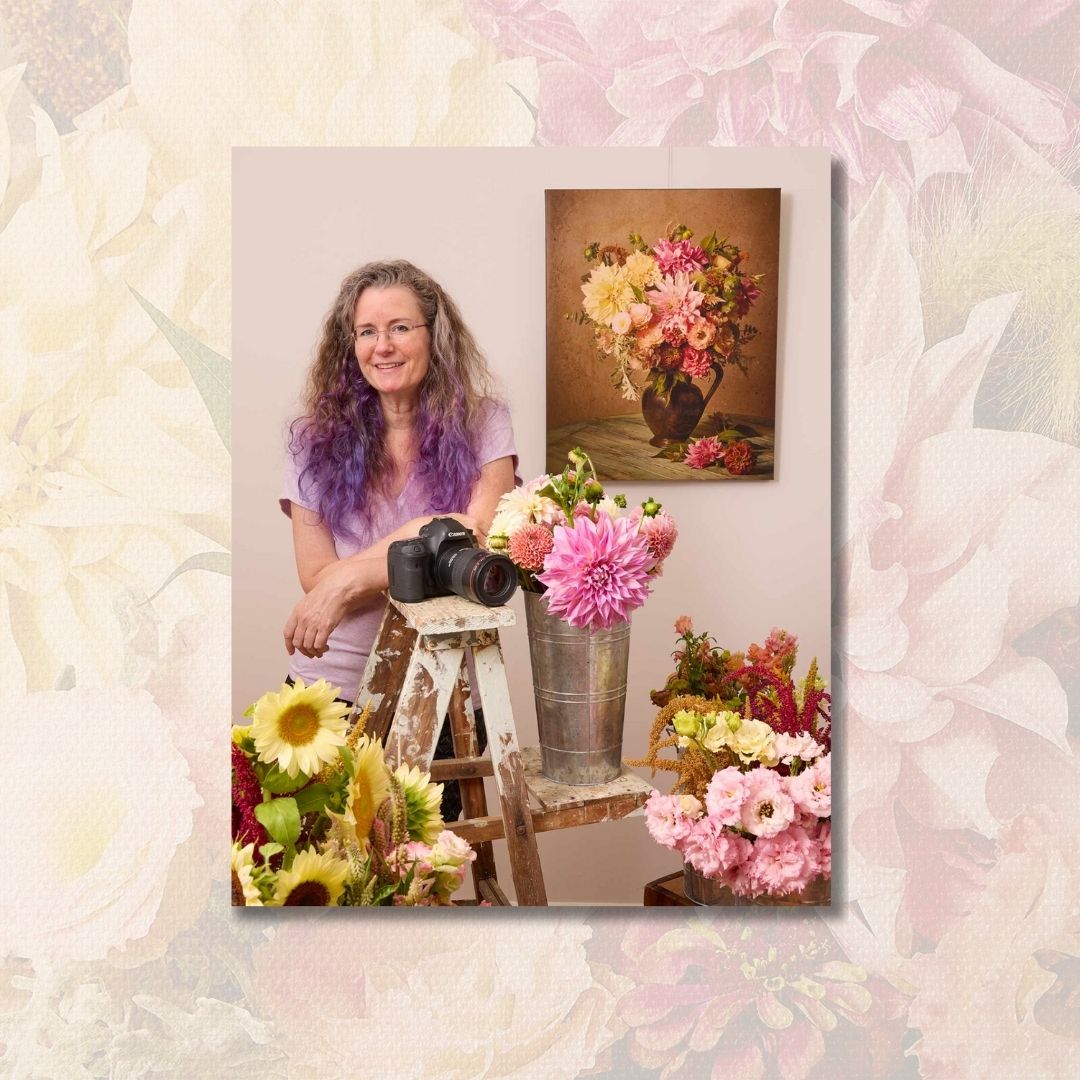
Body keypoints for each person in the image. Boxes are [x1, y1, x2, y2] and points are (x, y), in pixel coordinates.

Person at [280, 260, 517, 818]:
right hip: (329, 687)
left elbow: (478, 538)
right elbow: (315, 577)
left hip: (443, 687)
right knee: (327, 876)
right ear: (350, 345)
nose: (382, 346)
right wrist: (421, 541)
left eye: (401, 328)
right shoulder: (312, 440)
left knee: (418, 876)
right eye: (367, 331)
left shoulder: (486, 422)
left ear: (436, 336)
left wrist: (350, 580)